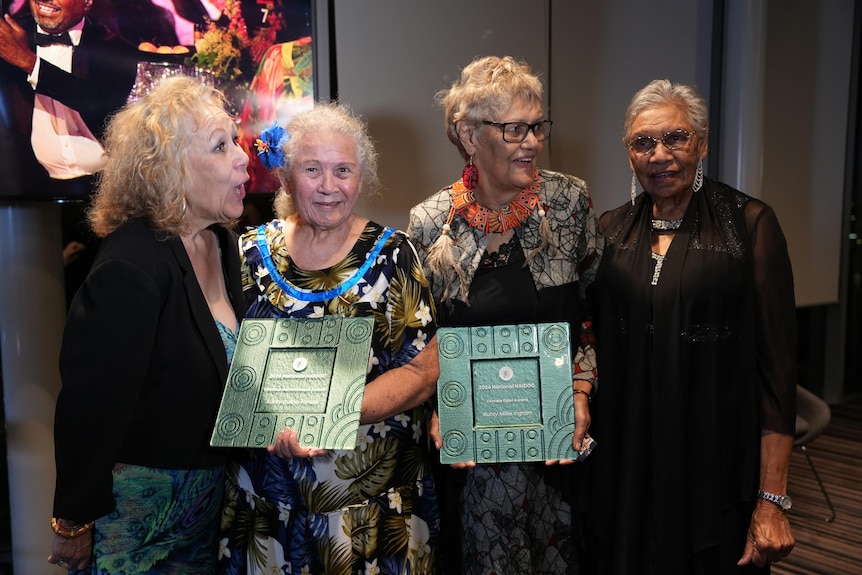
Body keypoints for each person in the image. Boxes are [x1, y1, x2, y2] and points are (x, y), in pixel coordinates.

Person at [582, 79, 797, 574]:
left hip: (714, 468)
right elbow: (583, 334)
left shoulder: (750, 225)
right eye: (644, 142)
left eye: (676, 137)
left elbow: (777, 375)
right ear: (629, 153)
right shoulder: (610, 231)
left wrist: (772, 499)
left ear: (701, 143)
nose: (660, 154)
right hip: (625, 469)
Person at [218, 102, 441, 575]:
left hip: (368, 512)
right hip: (267, 508)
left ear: (362, 177)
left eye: (343, 170)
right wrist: (272, 423)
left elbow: (423, 371)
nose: (328, 186)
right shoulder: (248, 254)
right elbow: (225, 360)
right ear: (285, 177)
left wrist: (329, 413)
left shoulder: (393, 254)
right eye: (312, 169)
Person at [407, 55, 603, 575]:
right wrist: (437, 407)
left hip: (556, 443)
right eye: (515, 129)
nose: (533, 142)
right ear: (469, 135)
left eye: (537, 127)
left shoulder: (567, 202)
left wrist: (581, 391)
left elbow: (590, 308)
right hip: (474, 455)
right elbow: (427, 341)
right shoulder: (430, 223)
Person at [47, 75, 249, 573]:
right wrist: (72, 521)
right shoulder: (131, 266)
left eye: (236, 141)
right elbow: (90, 409)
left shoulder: (218, 244)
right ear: (171, 170)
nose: (243, 158)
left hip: (208, 506)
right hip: (138, 522)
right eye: (221, 146)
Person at [0, 0, 139, 198]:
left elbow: (97, 103)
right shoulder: (11, 37)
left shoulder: (115, 47)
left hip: (103, 190)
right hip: (29, 189)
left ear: (87, 3)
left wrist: (29, 63)